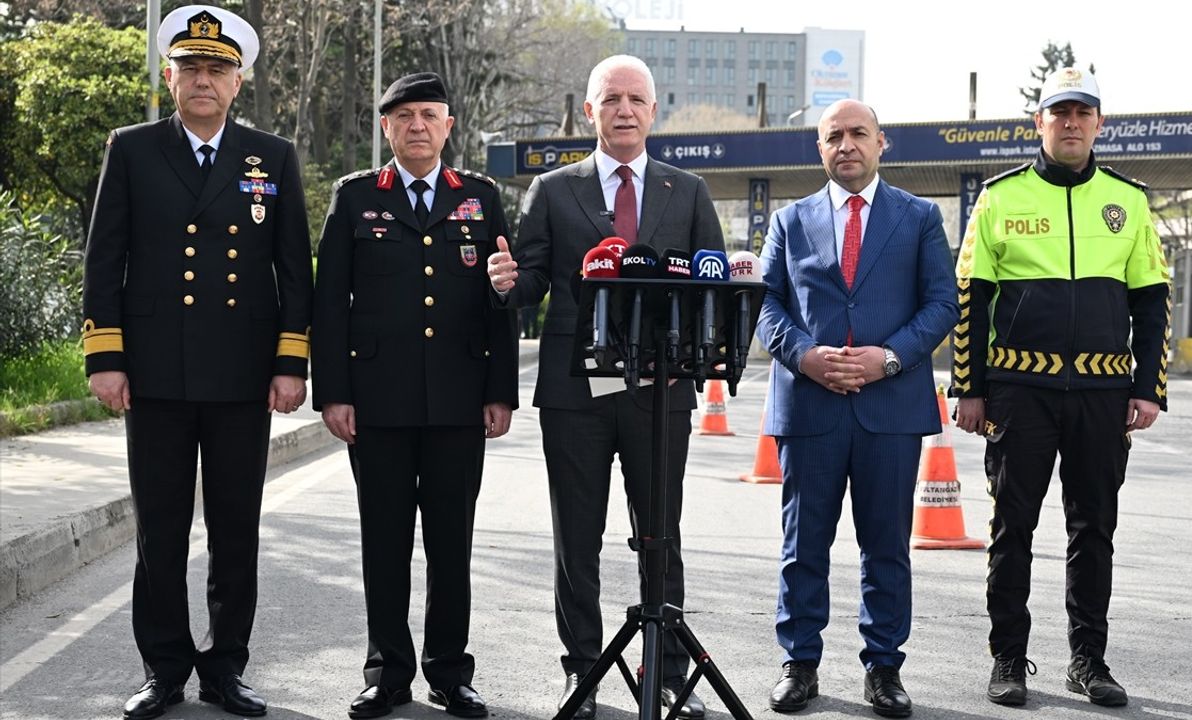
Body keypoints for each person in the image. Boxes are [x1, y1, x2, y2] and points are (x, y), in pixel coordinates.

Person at [81, 5, 311, 718]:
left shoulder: (270, 157)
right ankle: (164, 668)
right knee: (160, 530)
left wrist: (291, 362)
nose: (203, 81)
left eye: (217, 69)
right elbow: (104, 258)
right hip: (153, 373)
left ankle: (226, 668)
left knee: (237, 527)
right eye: (191, 69)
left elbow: (293, 270)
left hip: (243, 374)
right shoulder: (133, 147)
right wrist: (105, 357)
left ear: (238, 81)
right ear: (170, 76)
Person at [485, 54, 724, 720]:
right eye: (610, 98)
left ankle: (669, 673)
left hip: (660, 393)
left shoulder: (690, 191)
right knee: (577, 541)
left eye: (635, 99)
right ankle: (581, 670)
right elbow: (531, 282)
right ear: (588, 112)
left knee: (661, 537)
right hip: (573, 393)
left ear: (654, 112)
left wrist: (697, 365)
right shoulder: (554, 191)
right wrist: (506, 283)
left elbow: (710, 296)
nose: (623, 109)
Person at [950, 67, 1170, 708]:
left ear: (1099, 123)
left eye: (1083, 113)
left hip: (1103, 393)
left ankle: (1089, 661)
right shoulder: (999, 197)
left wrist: (1148, 387)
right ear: (1039, 122)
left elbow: (1153, 302)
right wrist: (969, 386)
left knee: (1094, 528)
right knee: (1011, 527)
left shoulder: (1128, 200)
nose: (1071, 123)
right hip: (1020, 390)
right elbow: (972, 299)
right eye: (1059, 112)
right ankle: (1009, 661)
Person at [311, 72, 519, 720]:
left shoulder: (480, 200)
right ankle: (387, 672)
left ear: (449, 125)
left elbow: (500, 302)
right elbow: (330, 306)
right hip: (377, 404)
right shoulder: (354, 199)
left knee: (451, 544)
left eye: (430, 115)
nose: (418, 126)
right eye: (404, 117)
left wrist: (500, 391)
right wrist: (333, 394)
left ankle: (450, 673)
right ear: (387, 128)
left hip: (459, 402)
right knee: (384, 542)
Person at [755, 99, 958, 719]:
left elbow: (941, 304)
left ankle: (885, 669)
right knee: (803, 545)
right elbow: (764, 305)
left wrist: (889, 359)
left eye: (858, 134)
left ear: (881, 143)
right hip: (809, 406)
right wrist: (805, 356)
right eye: (833, 136)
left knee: (886, 546)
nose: (846, 145)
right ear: (820, 148)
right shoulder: (790, 221)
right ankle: (800, 664)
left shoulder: (919, 217)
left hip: (889, 407)